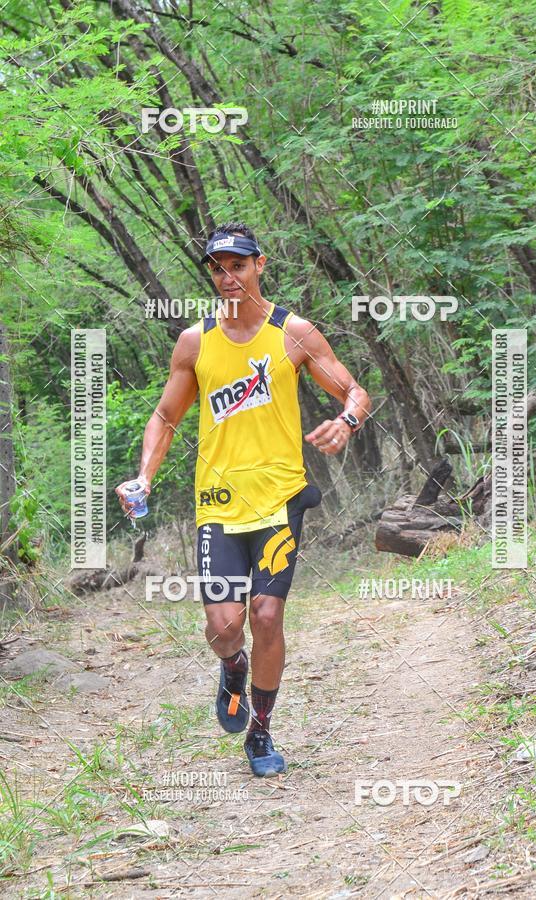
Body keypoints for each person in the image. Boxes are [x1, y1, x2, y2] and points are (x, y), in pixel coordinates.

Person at [116, 222, 371, 777]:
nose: (227, 276)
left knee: (267, 613)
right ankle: (233, 668)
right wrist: (144, 477)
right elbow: (165, 415)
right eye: (217, 267)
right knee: (226, 627)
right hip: (217, 503)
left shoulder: (293, 333)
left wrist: (346, 421)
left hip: (280, 500)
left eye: (238, 264)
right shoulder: (195, 342)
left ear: (260, 265)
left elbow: (354, 390)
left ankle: (260, 732)